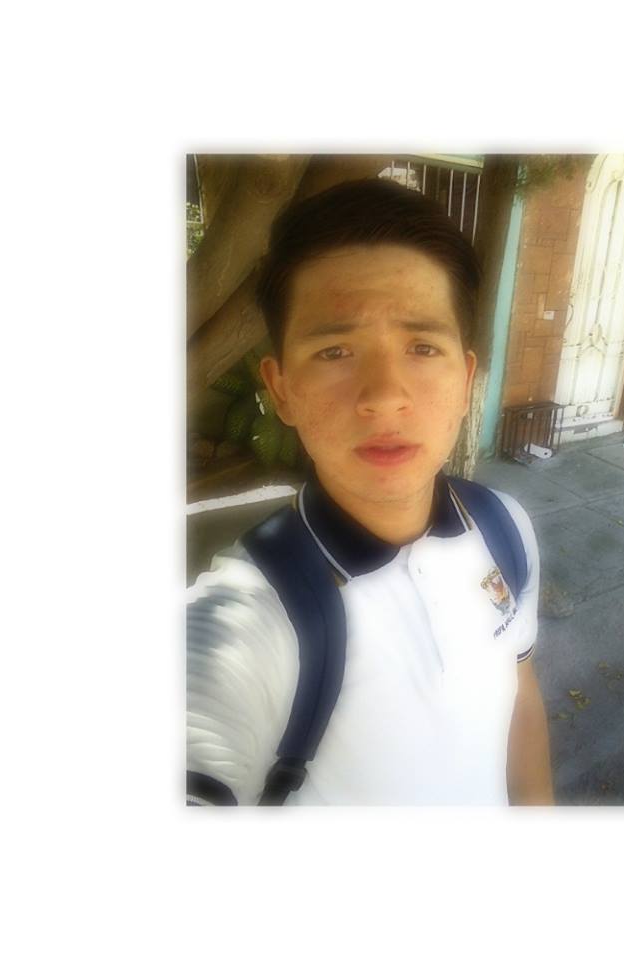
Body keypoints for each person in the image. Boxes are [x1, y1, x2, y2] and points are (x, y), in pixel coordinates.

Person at [187, 177, 553, 805]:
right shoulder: (250, 615)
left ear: (465, 382)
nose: (384, 396)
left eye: (422, 346)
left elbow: (519, 695)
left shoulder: (504, 527)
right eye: (335, 351)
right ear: (281, 390)